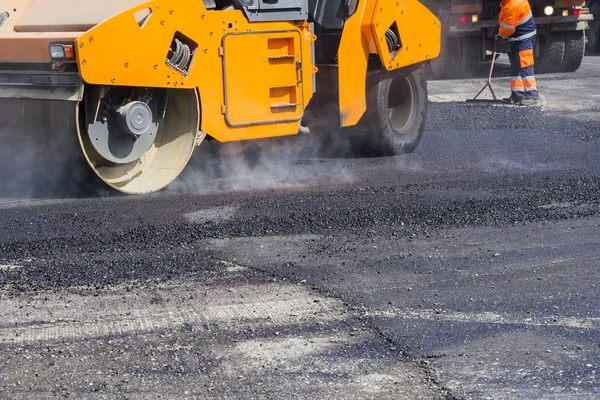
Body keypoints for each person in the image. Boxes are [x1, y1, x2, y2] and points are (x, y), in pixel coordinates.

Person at [497, 0, 540, 105]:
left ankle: (532, 95)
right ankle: (518, 95)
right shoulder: (511, 2)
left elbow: (508, 28)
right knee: (516, 66)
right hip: (520, 38)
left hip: (523, 39)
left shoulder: (511, 6)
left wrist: (499, 35)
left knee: (525, 66)